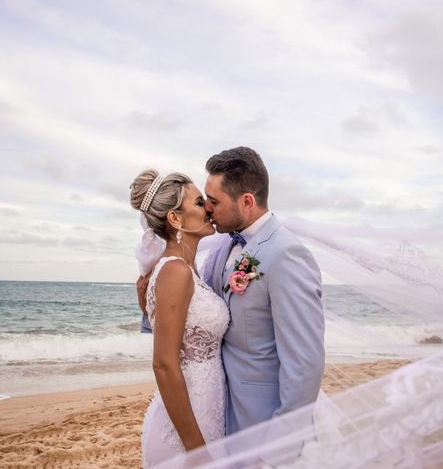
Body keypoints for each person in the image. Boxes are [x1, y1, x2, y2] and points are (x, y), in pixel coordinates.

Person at [137, 146, 325, 438]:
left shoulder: (285, 255)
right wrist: (147, 304)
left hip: (262, 424)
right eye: (204, 201)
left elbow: (304, 364)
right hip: (217, 415)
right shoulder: (222, 247)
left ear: (247, 201)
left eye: (213, 201)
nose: (208, 209)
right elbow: (189, 323)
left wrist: (280, 446)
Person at [130, 169, 229, 467]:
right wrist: (196, 450)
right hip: (186, 430)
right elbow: (163, 363)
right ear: (175, 219)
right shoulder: (175, 271)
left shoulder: (187, 268)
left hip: (206, 410)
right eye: (200, 203)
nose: (209, 208)